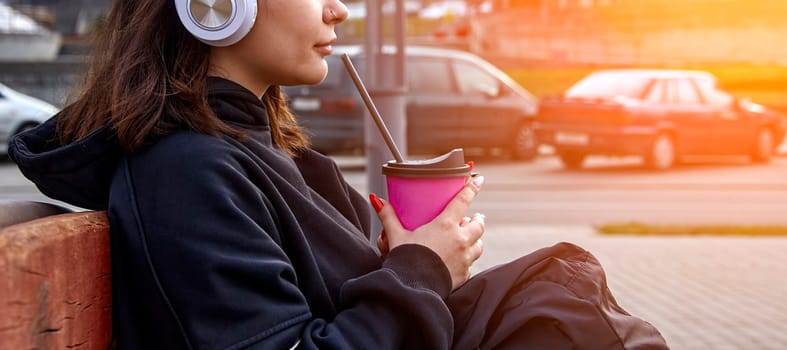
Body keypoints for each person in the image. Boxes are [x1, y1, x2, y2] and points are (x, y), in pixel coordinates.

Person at [9, 0, 669, 349]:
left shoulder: (262, 151)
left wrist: (396, 261)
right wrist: (414, 271)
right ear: (218, 5)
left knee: (560, 290)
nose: (337, 10)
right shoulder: (187, 173)